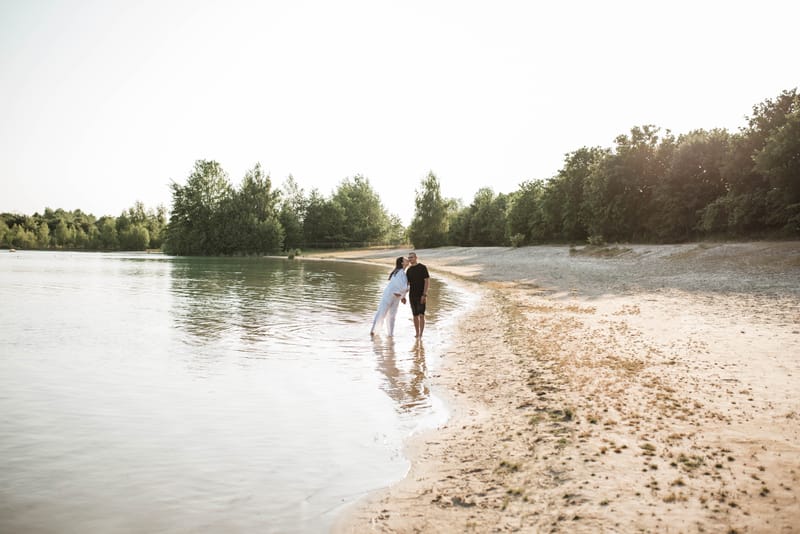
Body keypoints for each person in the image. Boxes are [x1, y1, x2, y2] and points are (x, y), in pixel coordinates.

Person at [370, 256, 409, 337]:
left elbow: (402, 286)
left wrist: (403, 297)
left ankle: (390, 334)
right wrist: (408, 289)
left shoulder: (402, 272)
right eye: (406, 259)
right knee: (381, 313)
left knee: (392, 316)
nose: (407, 260)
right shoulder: (398, 272)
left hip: (396, 298)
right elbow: (402, 286)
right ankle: (373, 331)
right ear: (402, 262)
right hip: (389, 295)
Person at [406, 251, 430, 338]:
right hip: (412, 295)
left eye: (412, 257)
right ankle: (417, 333)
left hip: (421, 295)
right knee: (415, 315)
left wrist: (424, 294)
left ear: (416, 258)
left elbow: (427, 281)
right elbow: (407, 284)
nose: (410, 259)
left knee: (421, 314)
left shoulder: (422, 267)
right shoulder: (408, 270)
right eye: (409, 258)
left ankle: (421, 334)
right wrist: (402, 295)